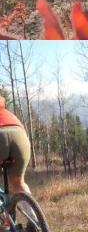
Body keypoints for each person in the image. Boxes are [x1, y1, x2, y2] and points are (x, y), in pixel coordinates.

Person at [0, 96, 32, 231]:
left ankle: (3, 224)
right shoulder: (8, 113)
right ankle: (34, 220)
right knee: (19, 183)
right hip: (20, 136)